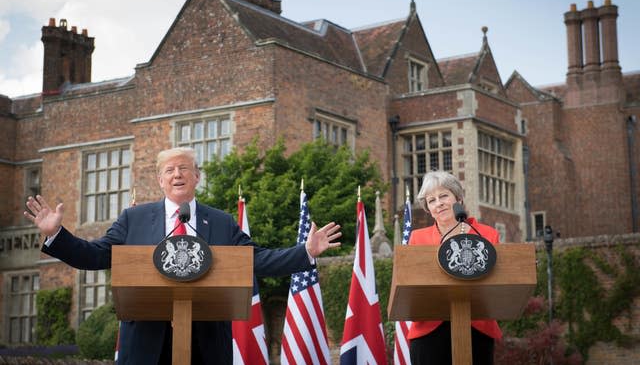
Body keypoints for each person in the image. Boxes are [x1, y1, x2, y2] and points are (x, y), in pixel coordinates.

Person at [25, 147, 342, 365]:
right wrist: (56, 235)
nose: (177, 174)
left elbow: (257, 260)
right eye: (169, 170)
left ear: (196, 177)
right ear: (160, 180)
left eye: (184, 169)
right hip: (146, 345)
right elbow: (93, 256)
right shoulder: (133, 219)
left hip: (207, 345)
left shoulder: (219, 221)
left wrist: (305, 251)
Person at [408, 170, 501, 365]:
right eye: (431, 200)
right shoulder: (418, 238)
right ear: (428, 208)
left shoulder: (487, 235)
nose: (438, 203)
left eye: (443, 196)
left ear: (457, 198)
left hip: (476, 327)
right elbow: (411, 283)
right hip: (429, 330)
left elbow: (498, 279)